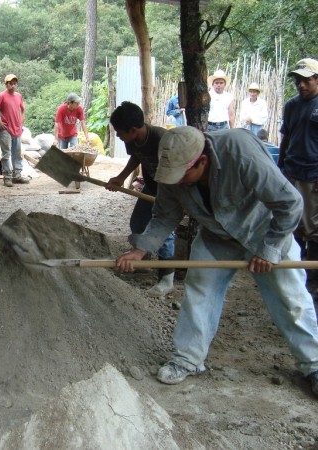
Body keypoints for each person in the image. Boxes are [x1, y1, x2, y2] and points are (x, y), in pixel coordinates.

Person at [114, 126, 318, 397]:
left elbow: (290, 203)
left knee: (290, 299)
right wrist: (141, 250)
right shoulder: (172, 169)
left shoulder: (240, 153)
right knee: (199, 293)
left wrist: (269, 249)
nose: (177, 183)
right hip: (216, 235)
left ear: (202, 161)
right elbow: (164, 216)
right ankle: (187, 358)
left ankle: (313, 364)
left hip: (264, 231)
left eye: (183, 177)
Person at [106, 101, 175, 297]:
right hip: (151, 186)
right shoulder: (132, 140)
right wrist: (120, 177)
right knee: (137, 222)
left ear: (133, 129)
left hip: (169, 190)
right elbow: (135, 157)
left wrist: (167, 200)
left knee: (165, 233)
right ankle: (144, 257)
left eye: (119, 132)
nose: (118, 136)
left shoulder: (163, 140)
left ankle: (166, 278)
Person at [278, 58, 318, 281]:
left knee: (312, 226)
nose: (301, 85)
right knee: (291, 221)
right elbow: (287, 137)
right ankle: (295, 272)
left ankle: (313, 277)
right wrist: (280, 166)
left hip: (313, 173)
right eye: (297, 81)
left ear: (317, 80)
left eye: (306, 81)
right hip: (292, 170)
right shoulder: (292, 106)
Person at [0, 73, 29, 187]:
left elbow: (23, 109)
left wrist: (21, 121)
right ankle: (7, 177)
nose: (13, 86)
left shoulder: (18, 96)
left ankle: (17, 176)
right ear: (6, 84)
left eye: (15, 84)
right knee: (6, 154)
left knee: (17, 153)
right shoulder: (1, 96)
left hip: (17, 129)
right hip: (6, 129)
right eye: (10, 84)